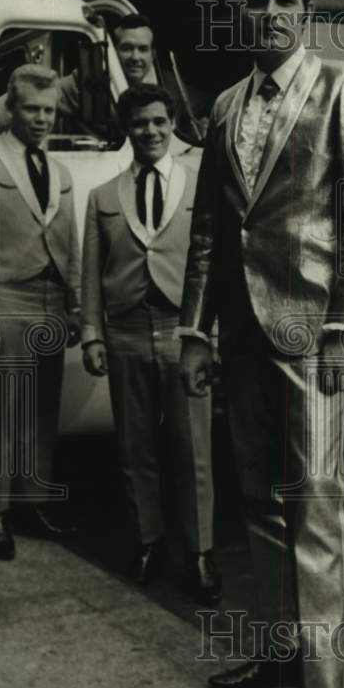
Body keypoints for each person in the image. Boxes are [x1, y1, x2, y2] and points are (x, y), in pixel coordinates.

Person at [178, 0, 344, 688]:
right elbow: (207, 231)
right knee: (260, 508)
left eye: (281, 3)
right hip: (238, 334)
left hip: (313, 334)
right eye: (254, 2)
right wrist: (195, 333)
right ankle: (283, 654)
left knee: (315, 512)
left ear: (303, 13)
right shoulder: (226, 103)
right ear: (241, 12)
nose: (266, 14)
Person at [80, 84, 220, 604]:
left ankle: (200, 552)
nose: (151, 131)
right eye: (140, 123)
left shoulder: (199, 184)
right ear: (127, 129)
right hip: (127, 335)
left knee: (193, 451)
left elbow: (216, 262)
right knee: (135, 448)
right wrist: (92, 334)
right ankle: (148, 541)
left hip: (186, 336)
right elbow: (90, 274)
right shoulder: (104, 196)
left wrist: (211, 336)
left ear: (172, 123)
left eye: (160, 121)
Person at [0, 64, 81, 560]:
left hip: (50, 307)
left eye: (49, 110)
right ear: (12, 109)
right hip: (5, 301)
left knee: (41, 413)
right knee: (2, 413)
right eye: (32, 109)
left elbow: (69, 245)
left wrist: (73, 308)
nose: (43, 118)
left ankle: (31, 503)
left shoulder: (62, 172)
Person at [0, 14, 158, 156]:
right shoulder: (90, 83)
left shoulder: (165, 90)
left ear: (152, 53)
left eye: (142, 49)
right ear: (112, 51)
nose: (135, 57)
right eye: (127, 48)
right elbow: (26, 96)